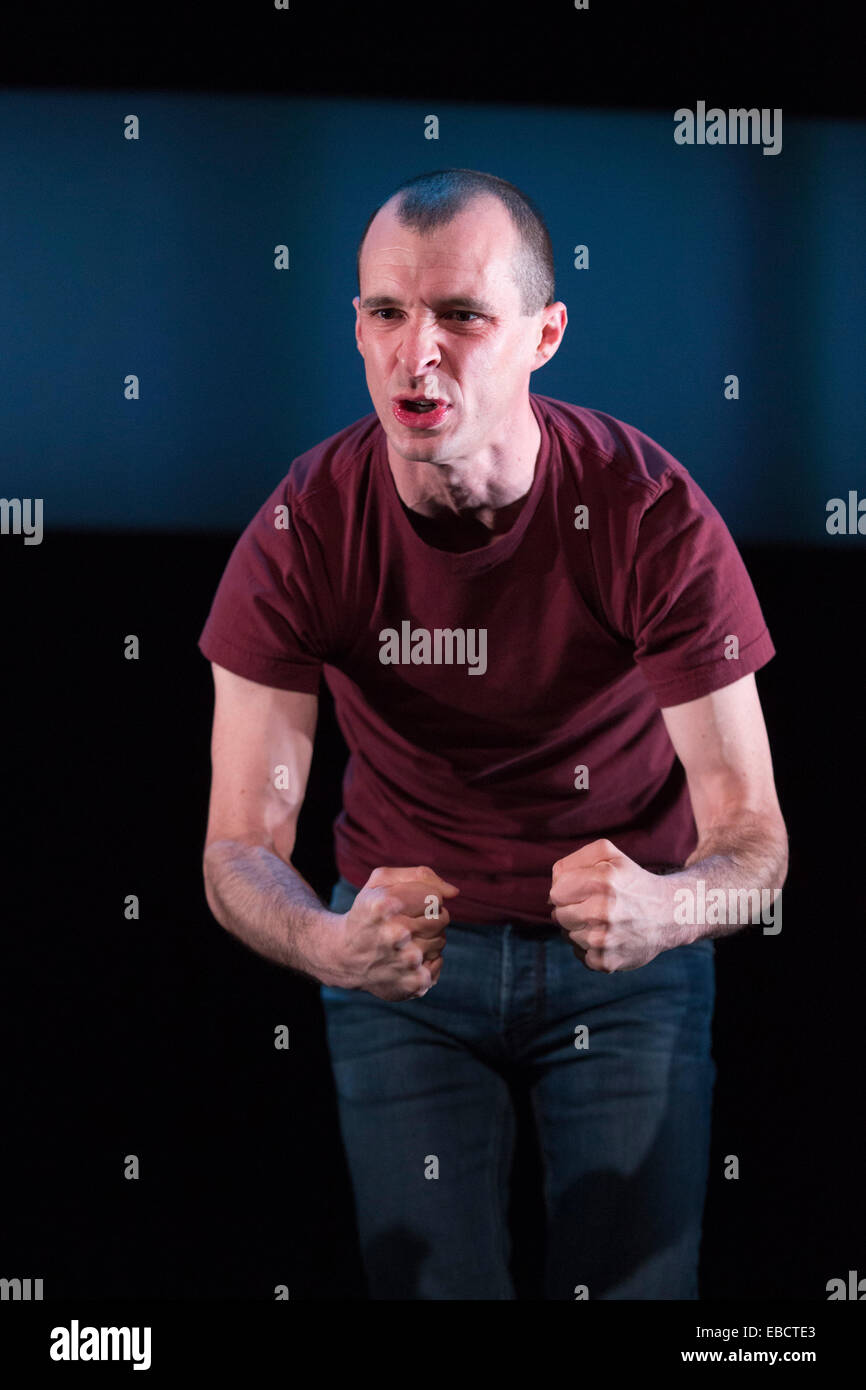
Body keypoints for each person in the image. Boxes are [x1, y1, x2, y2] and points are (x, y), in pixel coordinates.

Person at [198, 168, 788, 1300]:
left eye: (461, 315)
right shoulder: (302, 526)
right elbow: (237, 846)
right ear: (358, 329)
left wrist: (669, 908)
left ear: (542, 335)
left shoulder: (647, 513)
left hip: (629, 966)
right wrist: (330, 945)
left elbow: (755, 843)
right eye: (385, 313)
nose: (417, 354)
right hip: (403, 968)